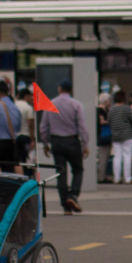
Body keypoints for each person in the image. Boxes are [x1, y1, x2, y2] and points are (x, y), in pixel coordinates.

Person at [39, 79, 90, 214]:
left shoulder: (50, 104)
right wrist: (85, 144)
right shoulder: (76, 105)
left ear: (60, 89)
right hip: (72, 141)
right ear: (71, 90)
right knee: (78, 170)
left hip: (57, 142)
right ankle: (72, 195)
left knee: (61, 173)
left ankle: (65, 206)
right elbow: (82, 127)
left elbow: (43, 127)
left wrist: (45, 144)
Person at [107, 90, 132, 184]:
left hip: (116, 135)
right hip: (127, 134)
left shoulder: (111, 109)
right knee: (127, 156)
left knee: (117, 157)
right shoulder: (126, 108)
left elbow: (109, 121)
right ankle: (127, 178)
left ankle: (116, 178)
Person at [14, 88, 35, 177]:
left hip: (15, 136)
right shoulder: (28, 107)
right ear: (26, 96)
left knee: (17, 159)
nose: (31, 99)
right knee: (26, 159)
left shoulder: (14, 105)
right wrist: (32, 138)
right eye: (30, 96)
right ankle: (27, 176)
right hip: (25, 136)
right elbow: (30, 124)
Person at [95, 92, 113, 183]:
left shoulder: (105, 110)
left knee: (104, 157)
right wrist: (109, 122)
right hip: (103, 136)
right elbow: (101, 122)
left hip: (104, 136)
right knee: (103, 157)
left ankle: (103, 175)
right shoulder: (100, 110)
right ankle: (101, 177)